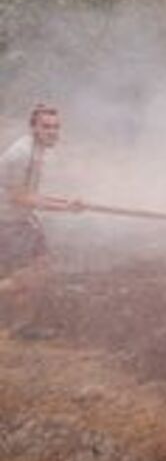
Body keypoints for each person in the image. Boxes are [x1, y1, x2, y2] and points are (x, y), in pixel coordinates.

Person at [0, 104, 84, 337]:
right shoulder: (21, 154)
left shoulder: (35, 151)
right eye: (46, 127)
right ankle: (21, 325)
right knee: (32, 275)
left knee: (38, 270)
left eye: (56, 127)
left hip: (19, 218)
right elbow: (19, 197)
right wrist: (65, 208)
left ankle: (21, 327)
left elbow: (29, 194)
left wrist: (67, 202)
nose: (52, 132)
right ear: (34, 128)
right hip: (7, 222)